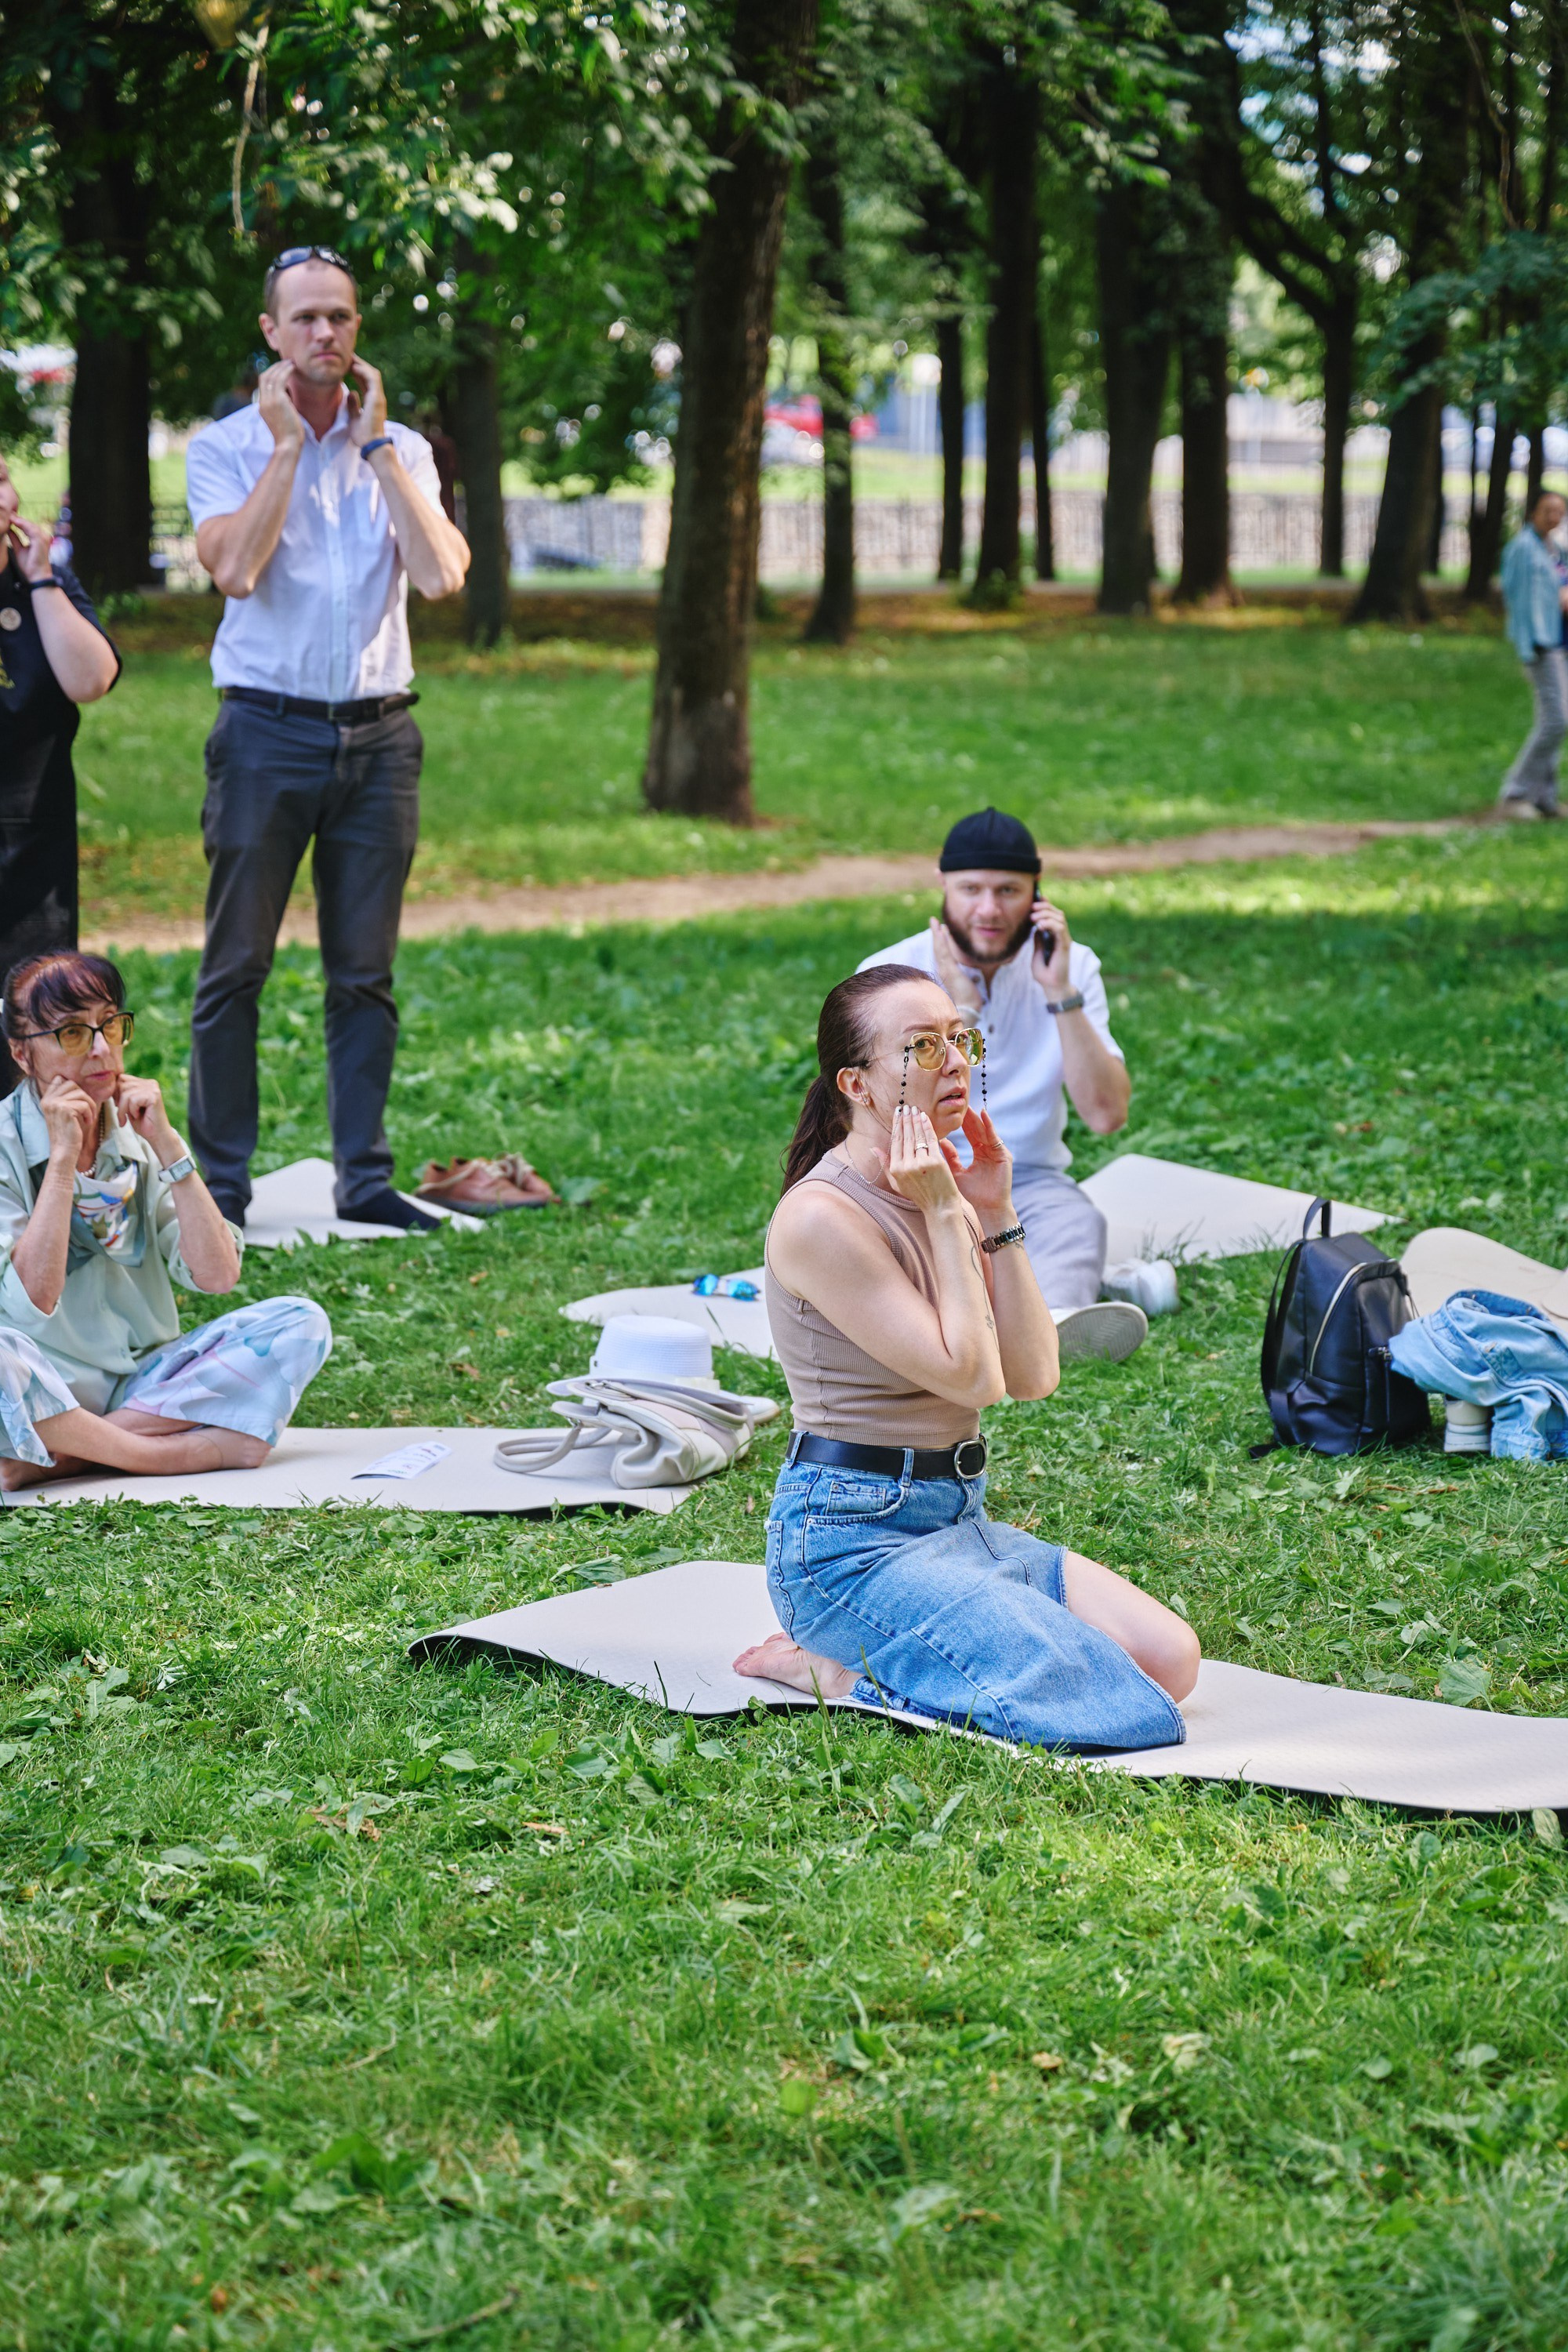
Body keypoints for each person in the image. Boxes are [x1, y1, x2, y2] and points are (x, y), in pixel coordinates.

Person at [734, 964, 1199, 1747]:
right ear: (856, 1084)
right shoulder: (820, 1217)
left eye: (960, 1039)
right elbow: (973, 1377)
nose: (954, 1062)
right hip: (850, 1542)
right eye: (922, 1046)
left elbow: (1032, 1375)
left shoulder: (943, 1191)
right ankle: (840, 1675)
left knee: (1170, 1662)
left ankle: (910, 1656)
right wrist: (948, 1211)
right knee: (1109, 1710)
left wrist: (994, 1207)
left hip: (954, 1517)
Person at [184, 245, 470, 1231]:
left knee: (365, 977)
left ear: (357, 328)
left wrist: (380, 449)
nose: (324, 333)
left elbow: (440, 576)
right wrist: (283, 453)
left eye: (339, 316)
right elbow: (234, 570)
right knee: (235, 969)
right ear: (271, 331)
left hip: (381, 740)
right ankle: (221, 1187)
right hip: (263, 734)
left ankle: (365, 1179)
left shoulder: (402, 448)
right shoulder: (224, 447)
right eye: (304, 317)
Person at [0, 950, 331, 1491]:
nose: (101, 1049)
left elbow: (217, 1276)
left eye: (111, 1025)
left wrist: (169, 1145)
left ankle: (66, 1457)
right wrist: (61, 1161)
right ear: (22, 1052)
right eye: (73, 1034)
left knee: (300, 1322)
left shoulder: (137, 1134)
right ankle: (170, 1453)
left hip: (144, 1388)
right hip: (38, 1387)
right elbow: (33, 1298)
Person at [859, 808, 1163, 1359]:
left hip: (1027, 1183)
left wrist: (1060, 992)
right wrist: (961, 1011)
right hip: (916, 1174)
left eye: (1008, 890)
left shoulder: (1072, 967)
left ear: (1036, 891)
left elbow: (1106, 1114)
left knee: (1077, 1224)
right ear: (943, 885)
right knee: (894, 1246)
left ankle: (1047, 1323)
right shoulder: (888, 974)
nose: (989, 910)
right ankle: (1016, 1324)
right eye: (971, 889)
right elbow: (879, 1112)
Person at [0, 452, 121, 1091]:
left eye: (0, 479)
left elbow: (90, 679)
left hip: (34, 840)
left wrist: (43, 580)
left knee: (32, 1017)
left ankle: (29, 1149)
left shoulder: (44, 584)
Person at [1499, 488, 1568, 819]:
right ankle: (1516, 793)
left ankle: (1543, 798)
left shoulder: (1556, 548)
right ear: (1532, 513)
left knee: (1553, 720)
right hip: (1542, 643)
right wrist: (1532, 640)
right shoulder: (1523, 548)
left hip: (1560, 643)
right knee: (1557, 720)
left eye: (1559, 511)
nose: (1554, 516)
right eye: (1547, 510)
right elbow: (1518, 597)